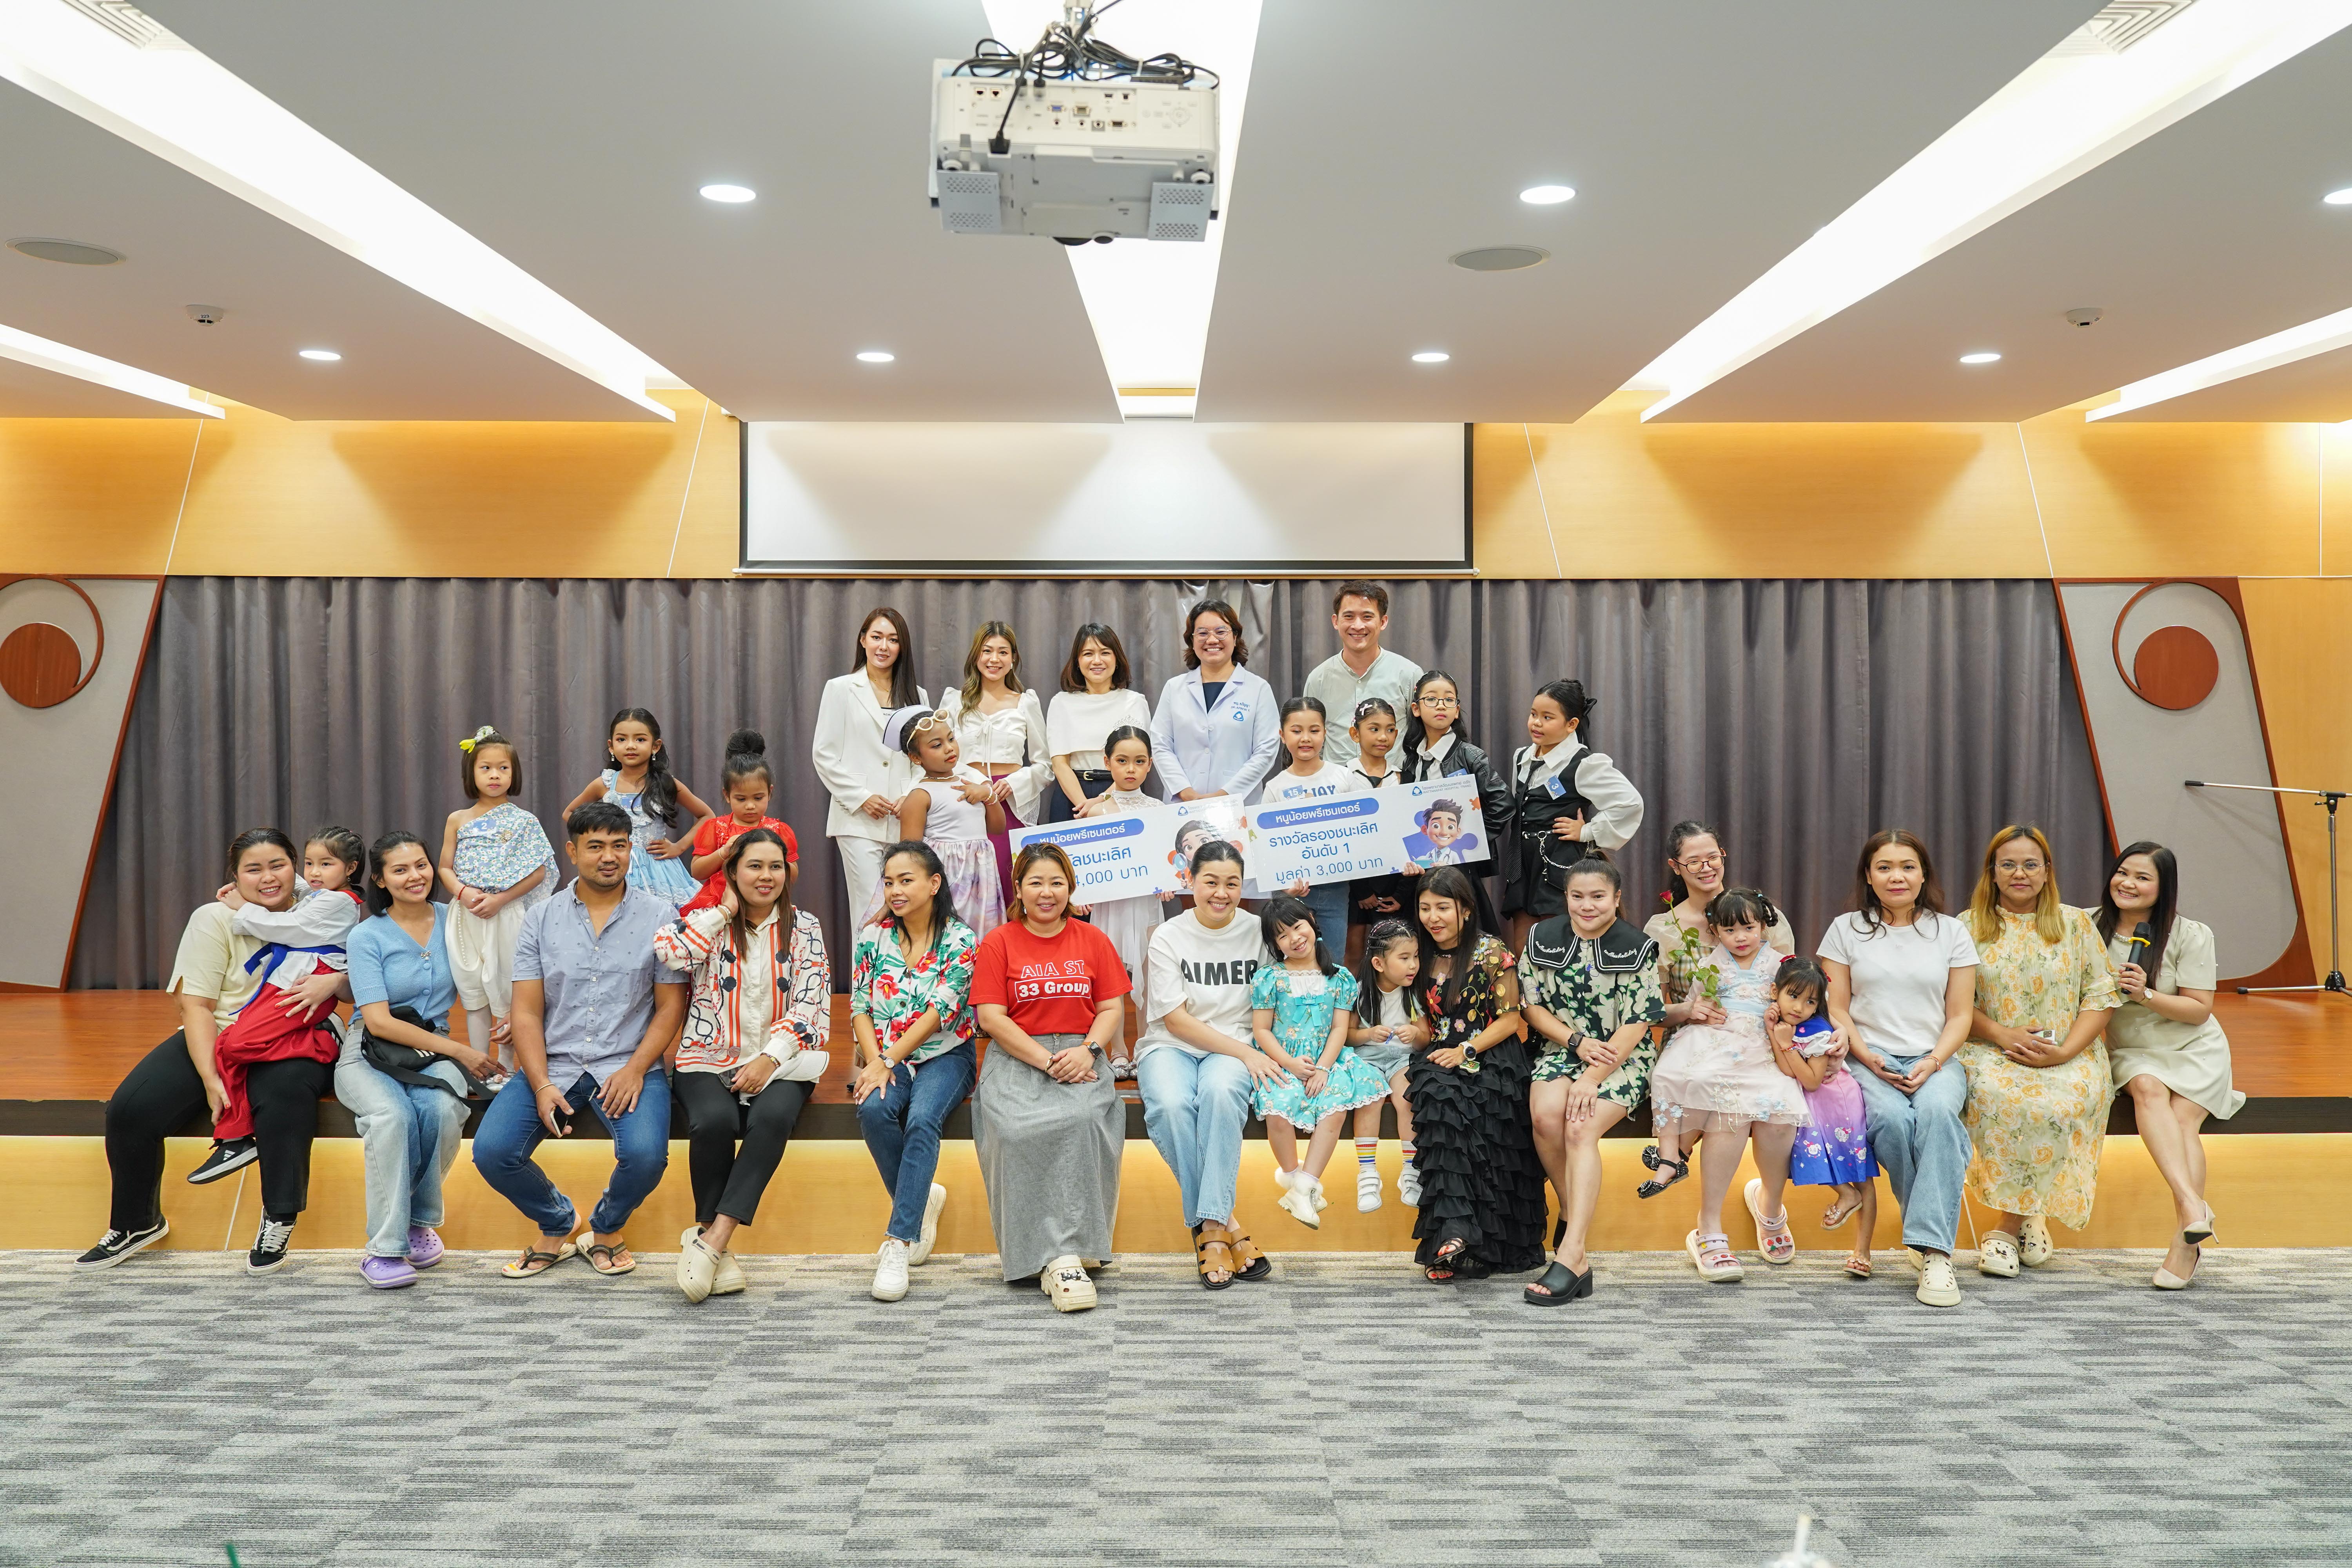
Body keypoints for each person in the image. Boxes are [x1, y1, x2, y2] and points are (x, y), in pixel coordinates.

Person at [78, 829, 345, 1274]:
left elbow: (363, 967)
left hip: (296, 1031)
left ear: (295, 865)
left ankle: (279, 1217)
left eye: (278, 865)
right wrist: (210, 1077)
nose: (268, 878)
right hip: (223, 1033)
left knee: (283, 1097)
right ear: (234, 877)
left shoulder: (323, 905)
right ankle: (136, 1223)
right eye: (253, 870)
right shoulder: (214, 918)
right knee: (130, 1109)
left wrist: (337, 980)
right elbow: (197, 1006)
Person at [472, 802, 687, 1281]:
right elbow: (527, 1012)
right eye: (596, 846)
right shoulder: (541, 917)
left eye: (619, 845)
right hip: (556, 1061)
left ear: (631, 850)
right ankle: (557, 1220)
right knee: (492, 1151)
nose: (609, 856)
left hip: (629, 1061)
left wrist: (636, 1069)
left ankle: (606, 1227)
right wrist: (541, 1083)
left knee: (646, 1157)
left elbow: (670, 1007)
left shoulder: (661, 915)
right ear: (572, 852)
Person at [653, 827, 829, 1302]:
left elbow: (812, 1005)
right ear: (732, 871)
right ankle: (714, 1244)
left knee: (772, 1119)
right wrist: (724, 911)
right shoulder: (707, 921)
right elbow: (670, 953)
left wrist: (770, 1057)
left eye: (776, 866)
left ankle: (714, 1237)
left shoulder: (805, 926)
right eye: (754, 866)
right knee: (714, 1121)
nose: (766, 876)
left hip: (782, 1061)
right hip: (707, 1056)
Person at [1820, 828, 1979, 1309]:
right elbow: (1837, 1008)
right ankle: (1929, 1232)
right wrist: (1868, 1056)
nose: (1897, 876)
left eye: (1908, 866)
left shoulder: (1951, 931)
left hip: (1936, 1057)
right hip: (1867, 1058)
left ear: (1923, 874)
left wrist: (1933, 1061)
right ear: (1868, 876)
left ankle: (1935, 1254)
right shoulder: (1845, 929)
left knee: (1938, 1116)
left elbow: (1961, 1015)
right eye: (1884, 867)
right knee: (1891, 1121)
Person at [969, 842, 1132, 1312]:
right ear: (1019, 888)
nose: (1047, 892)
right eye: (1036, 882)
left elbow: (1111, 1007)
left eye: (1057, 883)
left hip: (1082, 1052)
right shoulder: (999, 941)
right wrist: (1046, 1060)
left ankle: (1071, 1253)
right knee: (1015, 1130)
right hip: (1018, 1055)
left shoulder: (1093, 939)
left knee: (1083, 1120)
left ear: (1070, 888)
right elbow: (992, 1018)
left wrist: (1089, 1051)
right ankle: (1039, 1256)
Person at [337, 830, 502, 1289]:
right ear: (380, 879)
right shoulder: (366, 936)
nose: (415, 876)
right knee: (392, 1116)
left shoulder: (457, 920)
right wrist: (463, 1052)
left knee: (444, 1108)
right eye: (400, 869)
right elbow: (379, 1021)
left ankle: (416, 1221)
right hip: (370, 1049)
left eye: (421, 865)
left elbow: (493, 972)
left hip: (434, 1046)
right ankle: (384, 1248)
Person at [1957, 824, 2121, 1279]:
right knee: (2004, 1099)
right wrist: (2001, 1034)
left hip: (2070, 1049)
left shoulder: (2076, 923)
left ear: (2047, 871)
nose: (2020, 873)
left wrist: (2065, 1051)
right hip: (1990, 1048)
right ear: (1992, 871)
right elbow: (1953, 1003)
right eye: (2008, 864)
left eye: (2031, 864)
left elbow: (2101, 995)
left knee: (2063, 1102)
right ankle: (2029, 1214)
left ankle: (2006, 1229)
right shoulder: (1966, 926)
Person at [1642, 887, 1812, 1283]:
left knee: (1780, 1115)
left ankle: (1770, 1205)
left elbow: (1806, 1004)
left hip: (1767, 1049)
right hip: (1719, 1046)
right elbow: (1696, 1006)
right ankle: (1708, 1224)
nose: (1740, 937)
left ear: (1764, 926)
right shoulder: (1711, 963)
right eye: (1730, 930)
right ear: (1716, 932)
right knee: (1722, 1107)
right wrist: (1700, 1012)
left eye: (1748, 928)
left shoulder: (1782, 964)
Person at [185, 826, 368, 1187]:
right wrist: (253, 882)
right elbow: (294, 885)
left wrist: (243, 904)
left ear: (351, 868)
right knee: (228, 1046)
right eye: (310, 863)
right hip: (290, 981)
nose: (314, 873)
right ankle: (235, 1138)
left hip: (305, 984)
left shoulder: (338, 902)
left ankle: (322, 1042)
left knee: (235, 1046)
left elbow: (286, 926)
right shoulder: (321, 892)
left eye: (326, 864)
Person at [1517, 858, 1663, 1305]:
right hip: (1563, 1047)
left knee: (1579, 1126)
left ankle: (1573, 1253)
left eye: (1598, 896)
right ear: (1566, 897)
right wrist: (1575, 1042)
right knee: (1545, 1116)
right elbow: (1530, 1006)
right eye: (1577, 896)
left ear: (1617, 898)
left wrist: (1592, 1077)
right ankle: (1571, 1212)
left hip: (1622, 1056)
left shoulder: (1638, 947)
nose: (1587, 905)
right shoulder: (1541, 938)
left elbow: (1638, 1023)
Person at [2096, 840, 2240, 1289]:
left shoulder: (2191, 934)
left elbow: (2199, 1010)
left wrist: (2146, 994)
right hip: (2134, 1049)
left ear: (2164, 888)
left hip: (2194, 1047)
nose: (2128, 883)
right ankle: (2192, 1207)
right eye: (2123, 873)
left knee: (2182, 1123)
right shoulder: (2085, 925)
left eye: (2143, 878)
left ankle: (2184, 1243)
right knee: (2146, 1086)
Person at [1134, 840, 1276, 1290]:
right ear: (1189, 881)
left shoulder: (1260, 932)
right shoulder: (1168, 935)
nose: (1221, 893)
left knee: (1219, 1093)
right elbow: (1175, 1020)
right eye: (1211, 881)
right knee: (1171, 1106)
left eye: (1232, 883)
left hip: (1234, 1046)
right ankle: (1225, 1222)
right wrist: (1248, 1053)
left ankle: (1210, 1228)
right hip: (1171, 1044)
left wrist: (1250, 1050)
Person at [850, 842, 980, 1302]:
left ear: (934, 883)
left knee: (923, 1118)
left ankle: (899, 1243)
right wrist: (876, 1062)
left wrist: (886, 1061)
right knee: (874, 1108)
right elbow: (860, 1005)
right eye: (889, 882)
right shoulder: (873, 936)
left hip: (947, 1053)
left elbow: (940, 1013)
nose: (896, 890)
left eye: (906, 880)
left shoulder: (961, 939)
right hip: (886, 1053)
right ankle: (921, 1202)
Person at [1406, 866, 1546, 1281]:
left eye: (1443, 907)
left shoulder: (1492, 951)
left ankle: (1471, 1240)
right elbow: (1421, 1021)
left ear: (1465, 909)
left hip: (1491, 1053)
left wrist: (1465, 1050)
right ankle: (1452, 1233)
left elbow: (1510, 1020)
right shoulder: (1418, 953)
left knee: (1478, 1107)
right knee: (1437, 1096)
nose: (1433, 917)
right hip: (1441, 1052)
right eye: (1425, 908)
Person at [1252, 896, 1389, 1226]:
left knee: (1335, 1106)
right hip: (1282, 1059)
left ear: (1312, 922)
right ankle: (1293, 1179)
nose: (1294, 938)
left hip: (1328, 1059)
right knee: (1277, 1110)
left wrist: (1324, 1068)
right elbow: (1262, 1030)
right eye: (1282, 935)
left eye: (1297, 927)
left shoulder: (1340, 977)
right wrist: (1289, 1063)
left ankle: (1307, 1185)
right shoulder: (1269, 978)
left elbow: (1340, 1028)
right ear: (1274, 944)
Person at [436, 726, 554, 1069]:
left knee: (507, 987)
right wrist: (463, 892)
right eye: (486, 768)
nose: (495, 775)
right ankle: (479, 1064)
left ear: (514, 773)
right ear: (471, 772)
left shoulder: (524, 822)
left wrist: (501, 900)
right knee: (473, 990)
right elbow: (444, 867)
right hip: (466, 914)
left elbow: (539, 872)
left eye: (503, 768)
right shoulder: (458, 820)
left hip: (506, 914)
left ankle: (507, 1066)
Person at [1503, 679, 1643, 951]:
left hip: (1559, 863)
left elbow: (1630, 803)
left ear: (1572, 725)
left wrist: (1587, 831)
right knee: (1523, 949)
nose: (1536, 723)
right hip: (1522, 863)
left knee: (1558, 946)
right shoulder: (1522, 757)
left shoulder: (1584, 763)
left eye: (1547, 717)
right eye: (1533, 714)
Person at [1766, 955, 1878, 1281]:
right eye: (1793, 996)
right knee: (1809, 1154)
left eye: (1811, 1001)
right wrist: (1775, 1034)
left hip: (1837, 1102)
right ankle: (1847, 1194)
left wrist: (1786, 1044)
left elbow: (1812, 1080)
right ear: (1775, 992)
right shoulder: (1787, 1026)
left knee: (1861, 1174)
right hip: (1813, 1103)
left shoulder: (1817, 1030)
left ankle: (1863, 1251)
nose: (1800, 1007)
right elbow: (1789, 1070)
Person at [814, 605, 929, 916]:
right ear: (863, 640)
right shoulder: (841, 688)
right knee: (870, 908)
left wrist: (912, 796)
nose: (884, 646)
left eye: (893, 640)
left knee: (904, 909)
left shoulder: (917, 695)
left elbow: (924, 758)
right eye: (877, 637)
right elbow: (824, 754)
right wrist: (862, 797)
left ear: (902, 647)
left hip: (904, 819)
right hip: (858, 820)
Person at [1073, 724, 1169, 1078]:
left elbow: (1167, 859)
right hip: (1110, 907)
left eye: (1139, 761)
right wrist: (1080, 894)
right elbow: (1083, 864)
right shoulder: (1095, 812)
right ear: (1107, 763)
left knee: (1150, 975)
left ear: (1150, 764)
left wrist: (1168, 882)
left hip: (1146, 906)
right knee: (1108, 981)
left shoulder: (1158, 809)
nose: (1131, 769)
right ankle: (1117, 1051)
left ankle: (1145, 1046)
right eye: (1122, 761)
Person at [866, 704, 1006, 936]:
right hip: (946, 882)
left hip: (981, 879)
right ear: (916, 758)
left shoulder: (970, 783)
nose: (949, 748)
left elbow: (998, 828)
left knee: (981, 939)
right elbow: (909, 855)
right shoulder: (920, 796)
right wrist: (889, 902)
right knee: (948, 937)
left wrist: (989, 796)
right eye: (937, 745)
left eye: (951, 739)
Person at [1644, 820, 1796, 1027]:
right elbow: (1650, 1013)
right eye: (1694, 862)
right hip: (1692, 1039)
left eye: (1713, 858)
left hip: (1761, 1035)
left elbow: (1795, 991)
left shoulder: (1763, 916)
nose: (1707, 868)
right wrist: (1689, 1010)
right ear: (1676, 867)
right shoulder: (1664, 929)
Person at [939, 621, 1052, 892]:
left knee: (1009, 880)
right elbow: (936, 753)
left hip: (1009, 802)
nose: (994, 659)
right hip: (964, 798)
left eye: (1003, 652)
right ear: (976, 655)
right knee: (965, 885)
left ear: (1013, 659)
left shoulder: (1026, 702)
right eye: (987, 651)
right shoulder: (954, 701)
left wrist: (1015, 783)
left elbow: (1045, 765)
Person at [1395, 669, 1508, 935]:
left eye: (1449, 700)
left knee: (1464, 937)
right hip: (1421, 873)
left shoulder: (1470, 756)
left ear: (1457, 711)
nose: (1441, 706)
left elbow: (1503, 803)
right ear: (1416, 709)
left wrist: (1469, 843)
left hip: (1460, 870)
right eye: (1431, 699)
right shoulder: (1411, 761)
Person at [565, 707, 712, 909]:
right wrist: (598, 838)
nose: (631, 746)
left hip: (659, 871)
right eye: (622, 739)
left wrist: (679, 847)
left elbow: (707, 816)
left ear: (655, 746)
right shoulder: (605, 784)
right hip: (614, 864)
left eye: (640, 739)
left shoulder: (666, 784)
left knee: (662, 919)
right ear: (611, 746)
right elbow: (569, 813)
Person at [1251, 696, 1365, 955]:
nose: (1306, 738)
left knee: (1332, 963)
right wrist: (1284, 886)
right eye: (1296, 731)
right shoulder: (1275, 787)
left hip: (1336, 889)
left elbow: (1362, 832)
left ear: (1325, 733)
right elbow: (1264, 849)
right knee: (1292, 965)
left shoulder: (1343, 777)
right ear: (1282, 735)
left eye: (1314, 731)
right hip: (1290, 894)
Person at [1149, 598, 1281, 803]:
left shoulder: (1258, 689)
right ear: (1192, 641)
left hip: (1240, 803)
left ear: (1235, 637)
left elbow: (1266, 751)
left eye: (1221, 632)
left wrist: (1224, 796)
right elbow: (1161, 745)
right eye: (1202, 633)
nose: (1212, 640)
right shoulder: (1174, 688)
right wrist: (1186, 792)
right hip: (1183, 803)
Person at [1346, 919, 1428, 1210]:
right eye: (1404, 958)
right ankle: (1368, 1172)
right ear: (1379, 963)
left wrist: (1416, 1033)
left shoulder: (1413, 993)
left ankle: (1411, 1170)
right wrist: (1368, 1034)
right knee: (1370, 1098)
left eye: (1415, 956)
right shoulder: (1360, 992)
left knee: (1407, 1096)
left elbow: (1425, 1040)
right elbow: (1347, 1036)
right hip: (1367, 1058)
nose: (1413, 965)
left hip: (1402, 1058)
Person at [1301, 581, 1424, 768]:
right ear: (1336, 621)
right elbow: (1311, 739)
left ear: (1383, 622)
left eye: (1367, 617)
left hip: (1395, 781)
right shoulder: (1318, 679)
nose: (1358, 626)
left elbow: (1422, 738)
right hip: (1337, 783)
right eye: (1349, 616)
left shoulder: (1409, 674)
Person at [681, 730, 799, 914]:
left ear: (770, 792)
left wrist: (775, 862)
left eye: (758, 798)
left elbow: (792, 876)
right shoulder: (716, 828)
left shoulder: (778, 830)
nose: (750, 806)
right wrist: (723, 853)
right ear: (727, 795)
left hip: (765, 902)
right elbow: (697, 872)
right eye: (741, 799)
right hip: (721, 904)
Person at [1045, 622, 1152, 823]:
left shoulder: (1135, 702)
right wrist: (1085, 807)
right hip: (1071, 797)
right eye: (1088, 654)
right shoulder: (1061, 702)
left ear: (1117, 659)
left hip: (1122, 791)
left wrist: (1102, 801)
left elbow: (1139, 760)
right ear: (1077, 661)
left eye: (1105, 653)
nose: (1097, 661)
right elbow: (1059, 764)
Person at [1343, 697, 1412, 964]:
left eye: (1390, 729)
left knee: (1391, 954)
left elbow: (1411, 837)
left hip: (1394, 884)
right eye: (1374, 729)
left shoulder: (1405, 779)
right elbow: (1342, 838)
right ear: (1355, 733)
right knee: (1353, 953)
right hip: (1354, 883)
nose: (1383, 737)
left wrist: (1401, 893)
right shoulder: (1342, 778)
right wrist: (1361, 890)